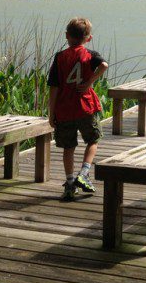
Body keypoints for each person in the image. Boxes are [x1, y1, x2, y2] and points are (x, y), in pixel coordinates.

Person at [47, 17, 109, 202]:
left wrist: (51, 113)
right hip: (85, 107)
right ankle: (84, 172)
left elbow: (54, 87)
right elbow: (104, 65)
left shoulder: (60, 57)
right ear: (88, 38)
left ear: (67, 35)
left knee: (68, 147)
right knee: (93, 140)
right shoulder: (90, 55)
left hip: (64, 109)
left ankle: (69, 184)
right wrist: (90, 81)